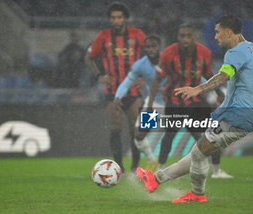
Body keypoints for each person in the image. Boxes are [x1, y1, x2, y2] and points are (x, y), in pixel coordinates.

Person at [136, 15, 253, 203]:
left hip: (235, 116)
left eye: (217, 32)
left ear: (228, 32)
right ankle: (164, 182)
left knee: (198, 153)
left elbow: (224, 76)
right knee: (198, 152)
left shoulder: (235, 53)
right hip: (241, 116)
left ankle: (183, 189)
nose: (215, 37)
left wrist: (197, 89)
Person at [146, 24, 233, 179]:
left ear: (194, 37)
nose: (185, 39)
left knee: (211, 134)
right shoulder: (168, 54)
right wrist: (150, 104)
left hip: (197, 101)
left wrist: (219, 93)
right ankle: (159, 169)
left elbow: (207, 73)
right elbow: (158, 79)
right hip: (175, 102)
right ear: (178, 37)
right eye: (182, 36)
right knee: (169, 135)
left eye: (188, 36)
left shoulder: (204, 53)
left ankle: (217, 171)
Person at [84, 2, 146, 175]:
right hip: (112, 91)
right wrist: (99, 76)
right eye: (113, 18)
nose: (116, 20)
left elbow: (153, 55)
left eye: (119, 17)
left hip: (133, 91)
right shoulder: (103, 37)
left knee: (135, 128)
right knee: (115, 128)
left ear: (125, 18)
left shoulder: (137, 35)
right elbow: (88, 58)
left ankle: (135, 167)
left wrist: (145, 77)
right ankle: (119, 167)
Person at [113, 35, 165, 171]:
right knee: (138, 135)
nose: (151, 49)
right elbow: (127, 82)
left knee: (196, 133)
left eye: (154, 46)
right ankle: (152, 160)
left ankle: (214, 168)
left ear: (159, 47)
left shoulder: (169, 60)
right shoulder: (140, 65)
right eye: (148, 46)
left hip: (175, 102)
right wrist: (117, 97)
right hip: (154, 103)